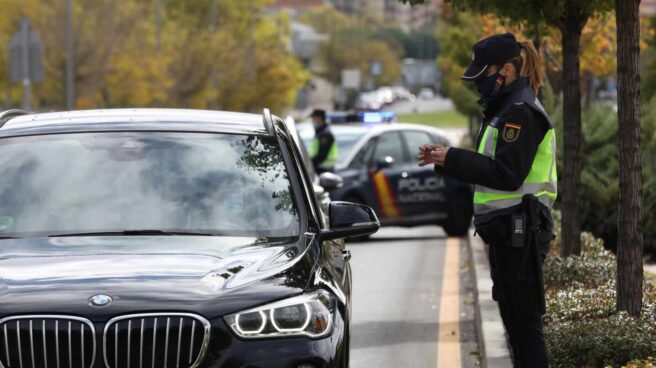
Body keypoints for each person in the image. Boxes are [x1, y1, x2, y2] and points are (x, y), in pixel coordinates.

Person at [418, 33, 557, 368]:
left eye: (483, 74)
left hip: (522, 231)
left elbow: (507, 173)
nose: (479, 82)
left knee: (524, 326)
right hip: (510, 232)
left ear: (506, 69)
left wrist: (452, 158)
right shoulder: (505, 109)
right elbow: (492, 170)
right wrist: (447, 159)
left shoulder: (520, 112)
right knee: (515, 322)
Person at [308, 109, 338, 173]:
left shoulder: (325, 135)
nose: (312, 121)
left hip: (324, 171)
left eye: (313, 118)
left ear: (319, 118)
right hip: (319, 169)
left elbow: (321, 156)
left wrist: (308, 165)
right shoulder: (320, 133)